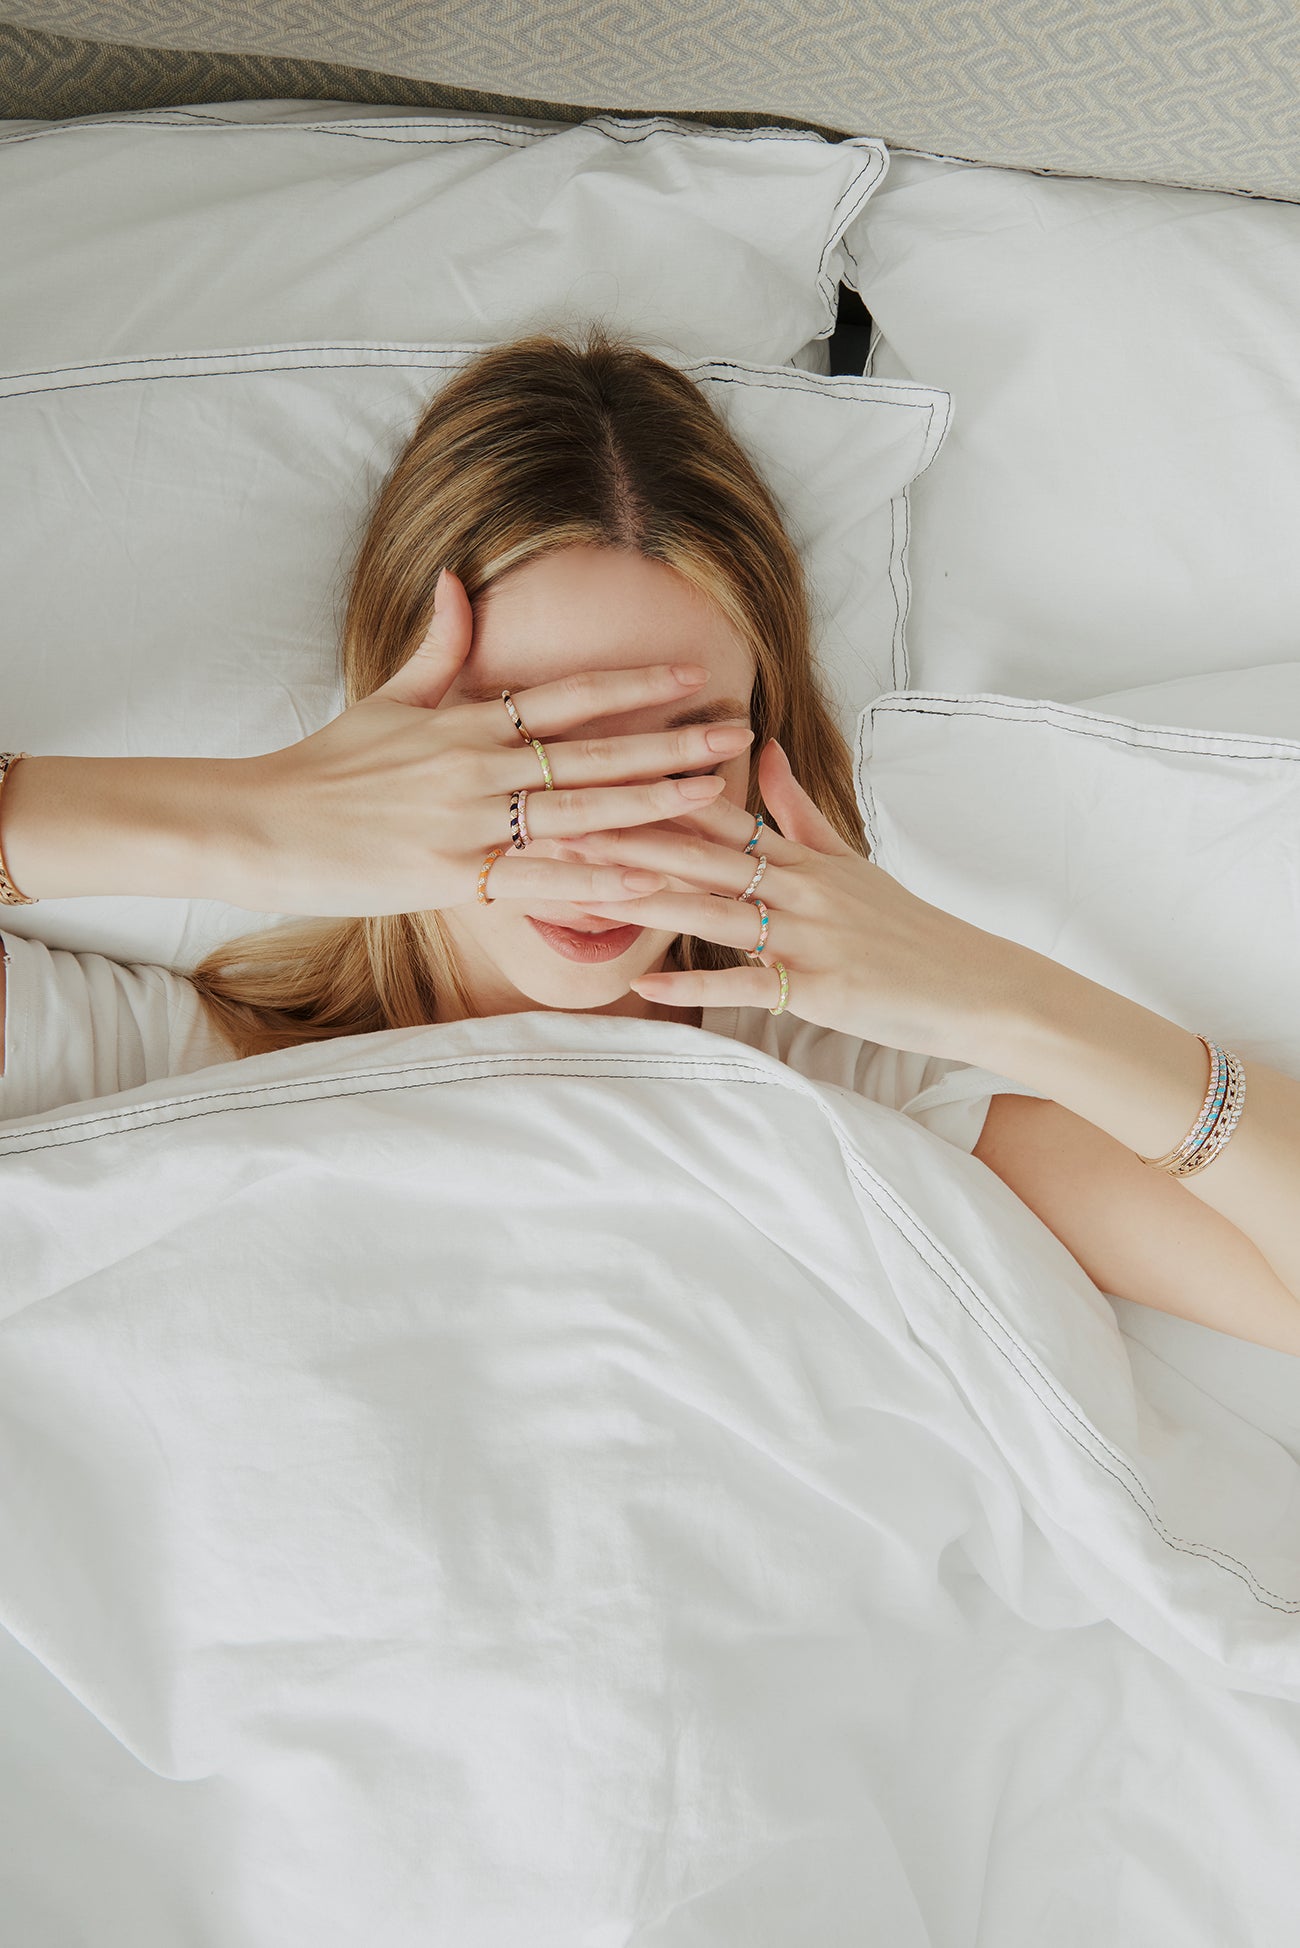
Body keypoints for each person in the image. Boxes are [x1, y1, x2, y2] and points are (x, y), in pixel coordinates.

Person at [1, 328, 1298, 1356]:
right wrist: (255, 824)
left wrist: (1004, 1000)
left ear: (764, 742)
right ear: (388, 740)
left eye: (675, 748)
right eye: (526, 742)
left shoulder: (855, 1097)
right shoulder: (155, 1061)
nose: (600, 830)